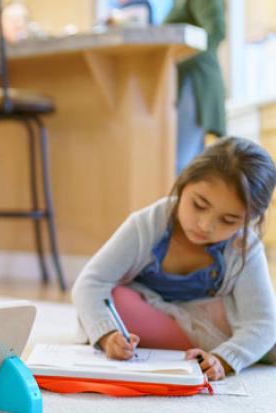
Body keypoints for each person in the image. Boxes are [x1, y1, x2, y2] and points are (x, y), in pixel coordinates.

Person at [72, 137, 276, 381]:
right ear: (183, 183)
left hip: (210, 327)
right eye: (199, 205)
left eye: (229, 220)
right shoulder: (146, 225)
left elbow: (262, 321)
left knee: (265, 332)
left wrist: (223, 359)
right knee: (115, 299)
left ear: (251, 218)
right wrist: (108, 335)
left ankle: (212, 348)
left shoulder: (244, 246)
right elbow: (90, 283)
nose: (206, 225)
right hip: (147, 317)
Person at [164, 0, 226, 175]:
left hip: (196, 82)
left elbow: (216, 30)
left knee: (179, 164)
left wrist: (181, 57)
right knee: (192, 167)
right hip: (187, 82)